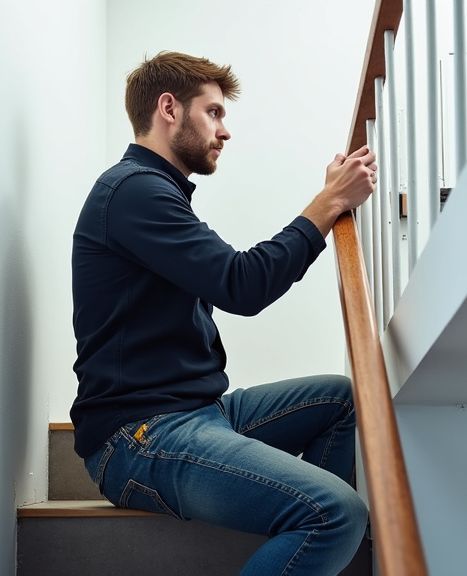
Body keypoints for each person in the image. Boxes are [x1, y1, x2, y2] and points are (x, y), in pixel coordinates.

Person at [70, 51, 378, 575]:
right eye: (213, 112)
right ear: (169, 108)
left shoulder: (157, 192)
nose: (224, 130)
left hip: (199, 412)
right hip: (141, 437)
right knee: (336, 512)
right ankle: (312, 526)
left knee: (341, 400)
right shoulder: (134, 192)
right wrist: (326, 204)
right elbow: (243, 284)